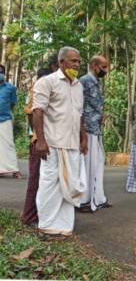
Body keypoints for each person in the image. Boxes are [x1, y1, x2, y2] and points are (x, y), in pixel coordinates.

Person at [32, 46, 88, 240]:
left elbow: (78, 114)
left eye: (79, 61)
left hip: (72, 143)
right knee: (49, 184)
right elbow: (38, 111)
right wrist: (40, 140)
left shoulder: (78, 85)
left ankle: (63, 227)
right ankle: (46, 226)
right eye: (73, 61)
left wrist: (83, 136)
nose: (77, 65)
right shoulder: (47, 82)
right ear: (61, 62)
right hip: (52, 143)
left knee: (69, 185)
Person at [21, 55, 57, 226]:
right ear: (54, 66)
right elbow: (32, 112)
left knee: (48, 181)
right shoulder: (43, 84)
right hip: (40, 141)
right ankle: (29, 216)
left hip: (52, 140)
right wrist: (37, 137)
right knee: (36, 179)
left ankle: (44, 215)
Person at [78, 55, 111, 212]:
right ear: (95, 66)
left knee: (98, 163)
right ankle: (84, 201)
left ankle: (98, 197)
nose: (106, 70)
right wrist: (82, 131)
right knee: (88, 165)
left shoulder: (95, 82)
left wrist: (101, 115)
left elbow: (94, 104)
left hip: (95, 128)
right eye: (103, 67)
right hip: (87, 129)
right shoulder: (85, 80)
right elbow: (80, 106)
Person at [0, 64, 20, 178]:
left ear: (4, 74)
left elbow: (12, 103)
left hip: (5, 119)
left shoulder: (11, 88)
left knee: (9, 145)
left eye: (1, 72)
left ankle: (14, 170)